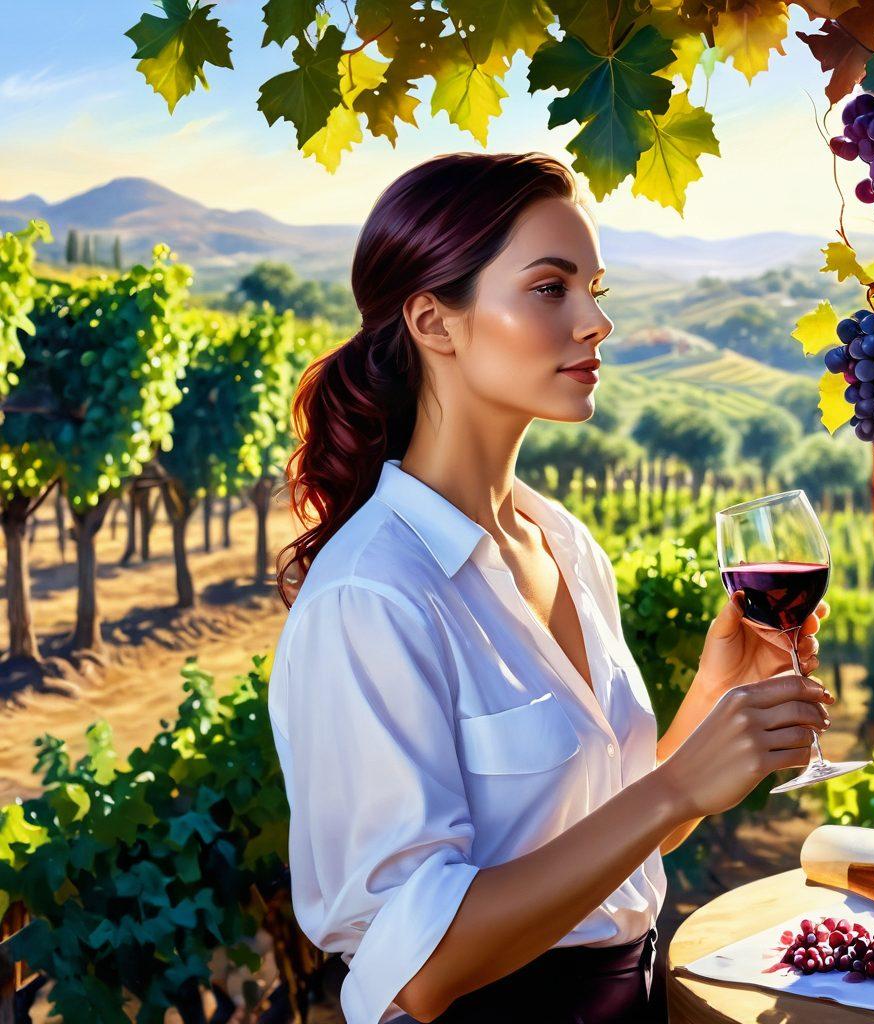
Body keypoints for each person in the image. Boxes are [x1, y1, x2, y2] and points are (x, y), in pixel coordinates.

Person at [268, 152, 832, 1024]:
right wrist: (678, 787)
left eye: (596, 289)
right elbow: (420, 972)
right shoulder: (371, 596)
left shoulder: (565, 544)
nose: (596, 321)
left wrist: (723, 686)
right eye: (550, 288)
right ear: (434, 321)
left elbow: (613, 838)